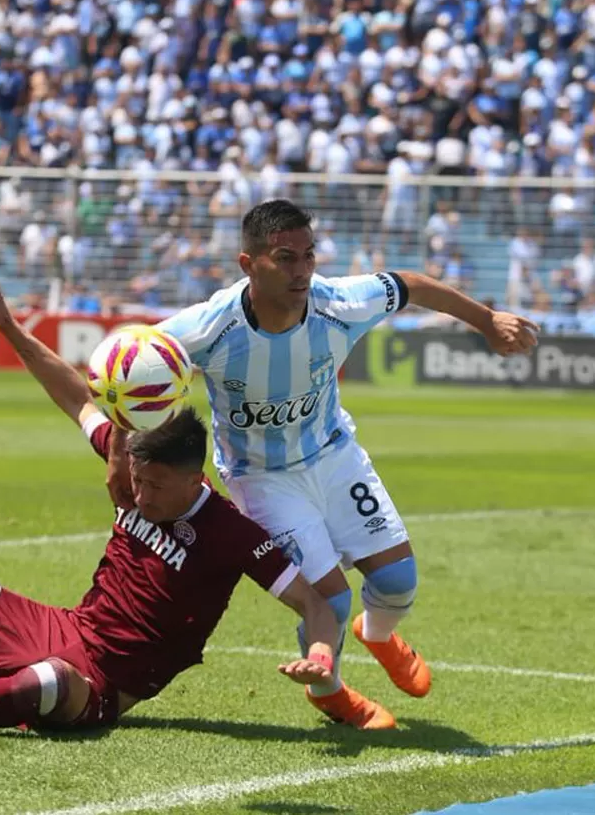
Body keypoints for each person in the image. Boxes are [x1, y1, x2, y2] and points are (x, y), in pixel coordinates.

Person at [0, 263, 348, 733]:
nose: (139, 494)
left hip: (102, 685)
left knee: (49, 683)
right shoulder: (132, 465)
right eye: (138, 480)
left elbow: (315, 604)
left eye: (154, 487)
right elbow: (75, 397)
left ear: (191, 477)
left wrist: (321, 654)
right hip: (67, 629)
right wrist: (9, 329)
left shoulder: (231, 531)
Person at [111, 199, 540, 727]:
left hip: (336, 456)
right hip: (262, 479)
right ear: (249, 265)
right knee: (328, 602)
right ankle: (330, 691)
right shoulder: (206, 327)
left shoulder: (340, 303)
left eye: (308, 255)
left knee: (400, 582)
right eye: (285, 257)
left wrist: (487, 320)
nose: (302, 270)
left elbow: (411, 284)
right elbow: (130, 375)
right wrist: (117, 453)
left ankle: (377, 635)